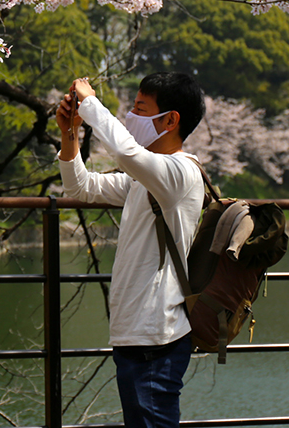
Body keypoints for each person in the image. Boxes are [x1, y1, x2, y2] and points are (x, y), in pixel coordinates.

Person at [56, 72, 206, 428]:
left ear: (171, 120)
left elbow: (125, 152)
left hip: (156, 334)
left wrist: (90, 103)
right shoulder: (148, 179)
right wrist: (69, 133)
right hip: (138, 330)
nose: (131, 116)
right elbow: (82, 186)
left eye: (141, 108)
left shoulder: (180, 173)